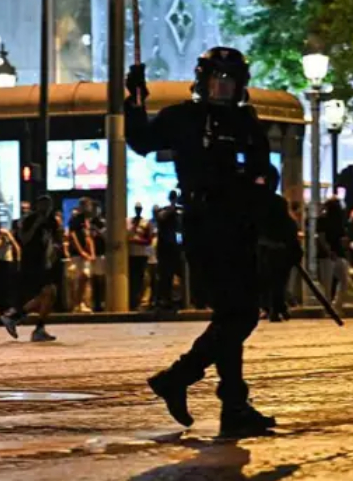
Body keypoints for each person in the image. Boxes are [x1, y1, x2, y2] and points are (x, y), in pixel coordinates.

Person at [127, 46, 276, 438]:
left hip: (241, 226)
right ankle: (180, 378)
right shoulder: (184, 117)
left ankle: (233, 405)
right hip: (205, 225)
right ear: (203, 79)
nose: (222, 86)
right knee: (238, 315)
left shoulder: (247, 121)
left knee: (232, 315)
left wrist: (264, 201)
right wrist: (134, 101)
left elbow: (266, 170)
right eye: (216, 78)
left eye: (229, 80)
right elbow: (141, 141)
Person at [0, 195, 58, 342]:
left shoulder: (51, 222)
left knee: (48, 295)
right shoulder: (29, 219)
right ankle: (19, 318)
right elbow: (24, 238)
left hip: (45, 262)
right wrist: (36, 224)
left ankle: (19, 318)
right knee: (47, 293)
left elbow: (53, 240)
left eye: (48, 205)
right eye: (43, 205)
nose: (46, 208)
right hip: (31, 262)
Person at [256, 165, 300, 322]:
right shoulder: (269, 202)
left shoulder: (275, 202)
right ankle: (275, 307)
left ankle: (276, 307)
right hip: (267, 247)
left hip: (274, 248)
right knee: (273, 280)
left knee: (275, 280)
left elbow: (285, 226)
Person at [154, 191, 183, 311]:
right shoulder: (165, 211)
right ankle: (165, 300)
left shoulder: (179, 211)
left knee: (181, 274)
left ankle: (181, 299)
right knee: (165, 276)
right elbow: (160, 217)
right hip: (165, 248)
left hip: (177, 247)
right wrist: (172, 207)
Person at [128, 203, 153, 311]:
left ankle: (140, 301)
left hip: (142, 255)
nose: (138, 210)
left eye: (139, 209)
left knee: (141, 279)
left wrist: (135, 241)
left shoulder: (146, 223)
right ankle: (132, 302)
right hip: (130, 255)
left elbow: (149, 241)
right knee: (132, 280)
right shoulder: (129, 222)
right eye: (136, 209)